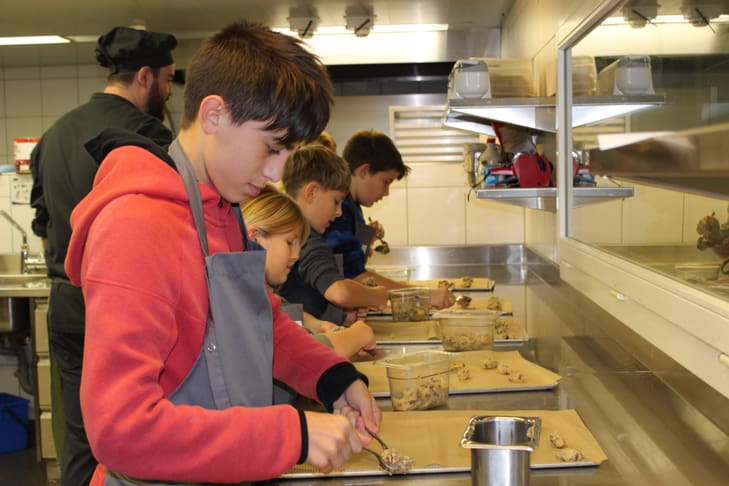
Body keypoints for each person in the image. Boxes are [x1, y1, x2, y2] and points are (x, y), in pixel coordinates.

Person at [64, 20, 380, 485]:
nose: (276, 172)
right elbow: (120, 430)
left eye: (288, 153)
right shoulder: (137, 226)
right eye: (271, 148)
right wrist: (289, 435)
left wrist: (332, 375)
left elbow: (259, 321)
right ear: (213, 116)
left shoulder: (221, 207)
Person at [29, 25, 177, 486]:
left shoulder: (53, 135)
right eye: (169, 80)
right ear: (146, 77)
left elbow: (42, 221)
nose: (171, 90)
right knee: (131, 431)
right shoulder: (146, 134)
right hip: (123, 302)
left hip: (66, 302)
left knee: (77, 432)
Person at [240, 184, 377, 359]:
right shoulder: (241, 299)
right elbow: (298, 357)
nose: (296, 255)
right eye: (289, 242)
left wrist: (316, 325)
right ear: (254, 238)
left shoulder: (256, 289)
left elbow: (280, 308)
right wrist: (357, 335)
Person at [324, 129, 456, 308]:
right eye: (386, 182)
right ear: (364, 171)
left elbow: (351, 263)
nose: (386, 193)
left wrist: (365, 241)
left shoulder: (353, 207)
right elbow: (354, 276)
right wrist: (422, 295)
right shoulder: (340, 210)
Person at [278, 144, 390, 325]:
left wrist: (342, 315)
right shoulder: (306, 239)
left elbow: (303, 298)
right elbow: (339, 292)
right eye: (336, 202)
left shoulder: (296, 232)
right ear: (311, 192)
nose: (339, 212)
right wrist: (376, 295)